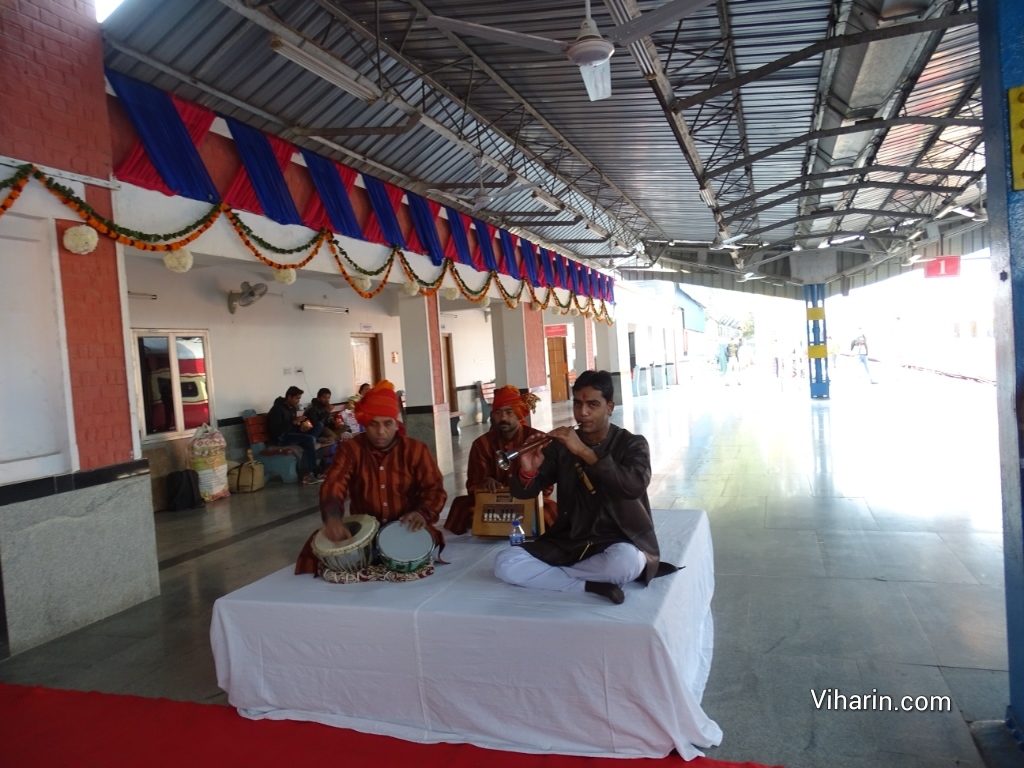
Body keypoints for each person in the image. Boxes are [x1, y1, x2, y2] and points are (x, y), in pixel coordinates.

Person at [493, 370, 677, 605]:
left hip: (617, 538)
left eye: (593, 404)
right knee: (505, 563)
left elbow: (633, 486)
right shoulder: (560, 448)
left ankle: (558, 578)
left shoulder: (632, 444)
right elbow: (523, 493)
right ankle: (589, 584)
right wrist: (527, 469)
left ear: (609, 407)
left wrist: (583, 451)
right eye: (577, 404)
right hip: (571, 539)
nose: (583, 412)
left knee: (627, 563)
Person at [294, 380, 448, 574]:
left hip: (406, 527)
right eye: (373, 424)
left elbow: (434, 489)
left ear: (396, 423)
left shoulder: (416, 450)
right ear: (365, 423)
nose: (381, 432)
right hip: (363, 532)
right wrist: (333, 518)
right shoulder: (351, 449)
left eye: (387, 423)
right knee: (316, 554)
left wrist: (422, 513)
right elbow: (335, 482)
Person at [443, 385, 558, 536]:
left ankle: (502, 523)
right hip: (492, 500)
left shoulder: (536, 440)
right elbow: (473, 482)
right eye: (498, 413)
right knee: (460, 505)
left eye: (509, 412)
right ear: (493, 415)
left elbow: (547, 485)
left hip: (528, 499)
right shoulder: (481, 444)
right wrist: (486, 482)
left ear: (518, 413)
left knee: (549, 510)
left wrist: (522, 491)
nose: (503, 418)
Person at [267, 386, 323, 485]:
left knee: (316, 429)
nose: (298, 401)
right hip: (280, 438)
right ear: (289, 397)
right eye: (296, 398)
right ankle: (313, 471)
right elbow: (277, 430)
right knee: (310, 440)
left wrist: (301, 428)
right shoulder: (277, 410)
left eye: (299, 398)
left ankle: (311, 471)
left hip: (289, 434)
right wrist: (294, 422)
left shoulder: (292, 408)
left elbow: (292, 427)